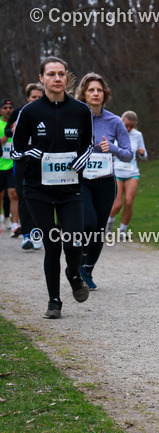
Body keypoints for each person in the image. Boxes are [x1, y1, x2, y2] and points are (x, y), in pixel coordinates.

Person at [11, 57, 94, 318]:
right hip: (38, 189)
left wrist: (82, 159)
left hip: (70, 189)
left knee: (73, 243)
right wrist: (30, 153)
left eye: (61, 74)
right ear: (42, 78)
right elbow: (15, 150)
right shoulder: (29, 112)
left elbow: (88, 144)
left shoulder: (81, 111)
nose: (57, 78)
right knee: (53, 245)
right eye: (51, 74)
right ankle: (54, 302)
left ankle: (73, 273)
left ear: (66, 77)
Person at [77, 74, 132, 289]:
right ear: (83, 94)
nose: (95, 93)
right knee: (88, 222)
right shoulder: (75, 118)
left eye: (99, 90)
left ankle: (87, 269)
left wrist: (113, 148)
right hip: (82, 179)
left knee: (99, 229)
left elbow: (128, 154)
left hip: (105, 181)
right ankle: (79, 260)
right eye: (91, 90)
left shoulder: (114, 121)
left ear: (105, 94)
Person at [6, 83, 44, 249]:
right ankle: (27, 234)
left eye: (39, 97)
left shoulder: (47, 113)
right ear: (28, 98)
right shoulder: (18, 112)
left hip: (42, 161)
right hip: (22, 160)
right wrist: (13, 130)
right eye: (33, 97)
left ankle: (37, 232)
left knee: (41, 197)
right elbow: (7, 132)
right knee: (23, 196)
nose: (36, 99)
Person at [107, 110, 147, 239]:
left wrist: (142, 153)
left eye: (131, 126)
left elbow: (145, 155)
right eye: (126, 125)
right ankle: (108, 224)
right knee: (117, 204)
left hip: (132, 172)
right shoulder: (114, 132)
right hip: (117, 172)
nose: (128, 128)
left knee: (129, 202)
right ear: (121, 122)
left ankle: (123, 231)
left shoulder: (138, 135)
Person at [0, 100, 19, 236]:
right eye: (5, 108)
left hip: (13, 164)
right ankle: (3, 219)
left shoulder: (17, 123)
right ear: (1, 110)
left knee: (13, 194)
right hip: (0, 165)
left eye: (10, 107)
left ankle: (15, 225)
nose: (8, 110)